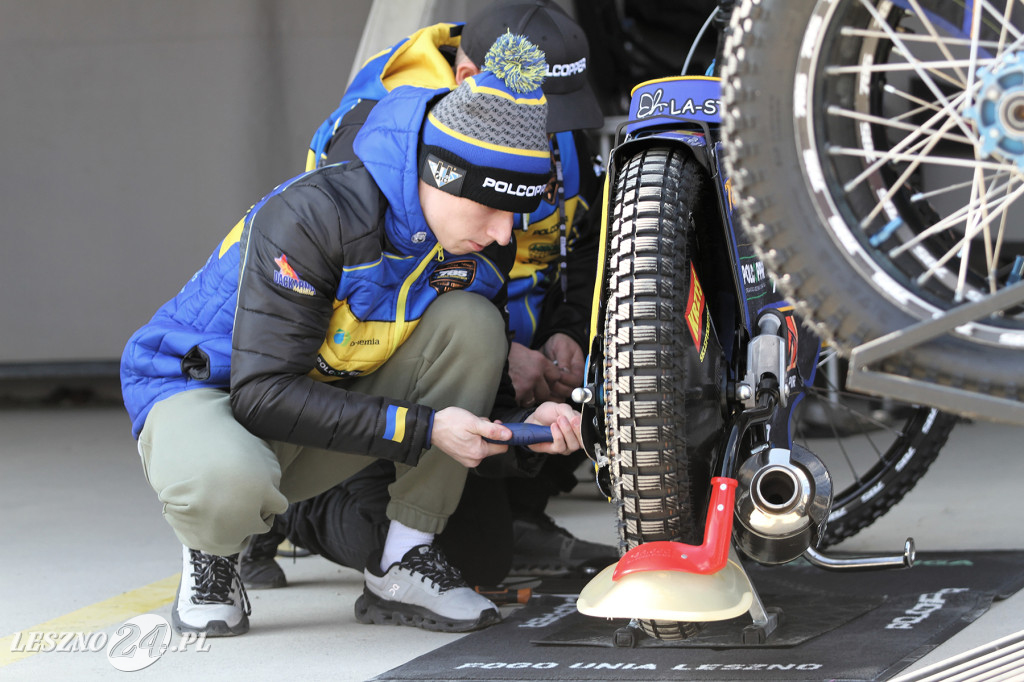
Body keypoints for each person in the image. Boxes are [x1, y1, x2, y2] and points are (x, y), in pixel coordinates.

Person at [120, 33, 582, 636]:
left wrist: (524, 427)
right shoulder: (318, 214)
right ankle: (213, 549)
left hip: (321, 394)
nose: (504, 234)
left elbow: (454, 393)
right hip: (206, 390)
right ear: (441, 174)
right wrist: (425, 427)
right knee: (229, 486)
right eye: (493, 208)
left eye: (515, 215)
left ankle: (403, 560)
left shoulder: (479, 250)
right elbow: (261, 393)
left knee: (473, 323)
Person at [240, 0, 615, 592]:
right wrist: (500, 359)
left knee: (614, 364)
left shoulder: (544, 120)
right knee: (442, 552)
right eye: (546, 111)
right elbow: (360, 312)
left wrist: (563, 332)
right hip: (370, 391)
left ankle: (518, 509)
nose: (555, 128)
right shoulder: (373, 132)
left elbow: (590, 238)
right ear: (470, 82)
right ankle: (291, 510)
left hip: (493, 370)